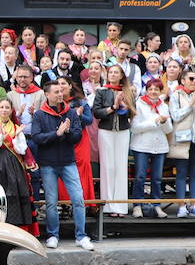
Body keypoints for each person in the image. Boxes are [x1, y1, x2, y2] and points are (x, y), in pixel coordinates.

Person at [29, 79, 95, 251]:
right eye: (56, 92)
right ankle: (53, 235)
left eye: (61, 91)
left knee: (78, 198)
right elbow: (37, 138)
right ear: (47, 94)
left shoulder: (71, 113)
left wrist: (66, 133)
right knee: (51, 201)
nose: (60, 94)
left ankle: (81, 236)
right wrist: (56, 134)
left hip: (68, 162)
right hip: (48, 164)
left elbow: (77, 136)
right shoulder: (39, 115)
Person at [0, 98, 35, 232]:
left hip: (14, 164)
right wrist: (1, 138)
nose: (4, 110)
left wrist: (15, 137)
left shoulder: (17, 128)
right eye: (1, 107)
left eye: (7, 108)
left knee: (15, 193)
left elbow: (22, 149)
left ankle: (17, 227)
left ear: (11, 111)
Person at [168, 69, 195, 217]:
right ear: (183, 80)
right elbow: (175, 116)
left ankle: (193, 205)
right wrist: (191, 104)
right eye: (191, 79)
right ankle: (181, 206)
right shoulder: (176, 95)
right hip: (181, 138)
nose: (194, 82)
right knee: (181, 174)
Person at [92, 64, 134, 216]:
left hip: (123, 131)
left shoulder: (127, 92)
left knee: (120, 167)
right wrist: (113, 107)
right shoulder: (102, 91)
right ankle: (108, 205)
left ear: (122, 76)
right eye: (111, 72)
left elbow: (132, 112)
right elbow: (96, 113)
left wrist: (123, 106)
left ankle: (120, 206)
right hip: (106, 131)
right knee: (108, 167)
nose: (113, 75)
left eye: (116, 72)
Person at [131, 78, 173, 219]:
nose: (153, 92)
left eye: (156, 89)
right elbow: (135, 128)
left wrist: (164, 122)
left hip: (159, 146)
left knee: (157, 178)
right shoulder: (139, 104)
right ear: (146, 90)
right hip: (141, 145)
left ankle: (157, 205)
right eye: (150, 89)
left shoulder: (164, 106)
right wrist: (154, 122)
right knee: (140, 176)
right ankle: (137, 204)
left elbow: (169, 129)